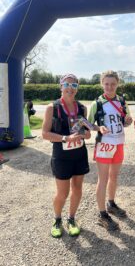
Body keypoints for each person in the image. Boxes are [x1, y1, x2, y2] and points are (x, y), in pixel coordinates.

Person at [42, 74, 91, 238]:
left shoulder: (82, 108)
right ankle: (57, 219)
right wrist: (65, 138)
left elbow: (88, 133)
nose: (70, 88)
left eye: (74, 85)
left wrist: (85, 134)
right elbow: (44, 133)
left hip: (79, 154)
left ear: (77, 88)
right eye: (67, 84)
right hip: (61, 156)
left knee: (77, 189)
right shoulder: (52, 108)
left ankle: (71, 219)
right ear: (60, 86)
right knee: (62, 193)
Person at [88, 70, 132, 231]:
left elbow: (126, 121)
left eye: (113, 84)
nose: (109, 87)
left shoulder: (122, 101)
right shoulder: (97, 103)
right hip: (104, 144)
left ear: (117, 84)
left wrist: (128, 121)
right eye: (106, 84)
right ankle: (102, 215)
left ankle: (111, 203)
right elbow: (89, 123)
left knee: (114, 176)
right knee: (103, 179)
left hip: (119, 142)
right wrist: (98, 127)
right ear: (102, 84)